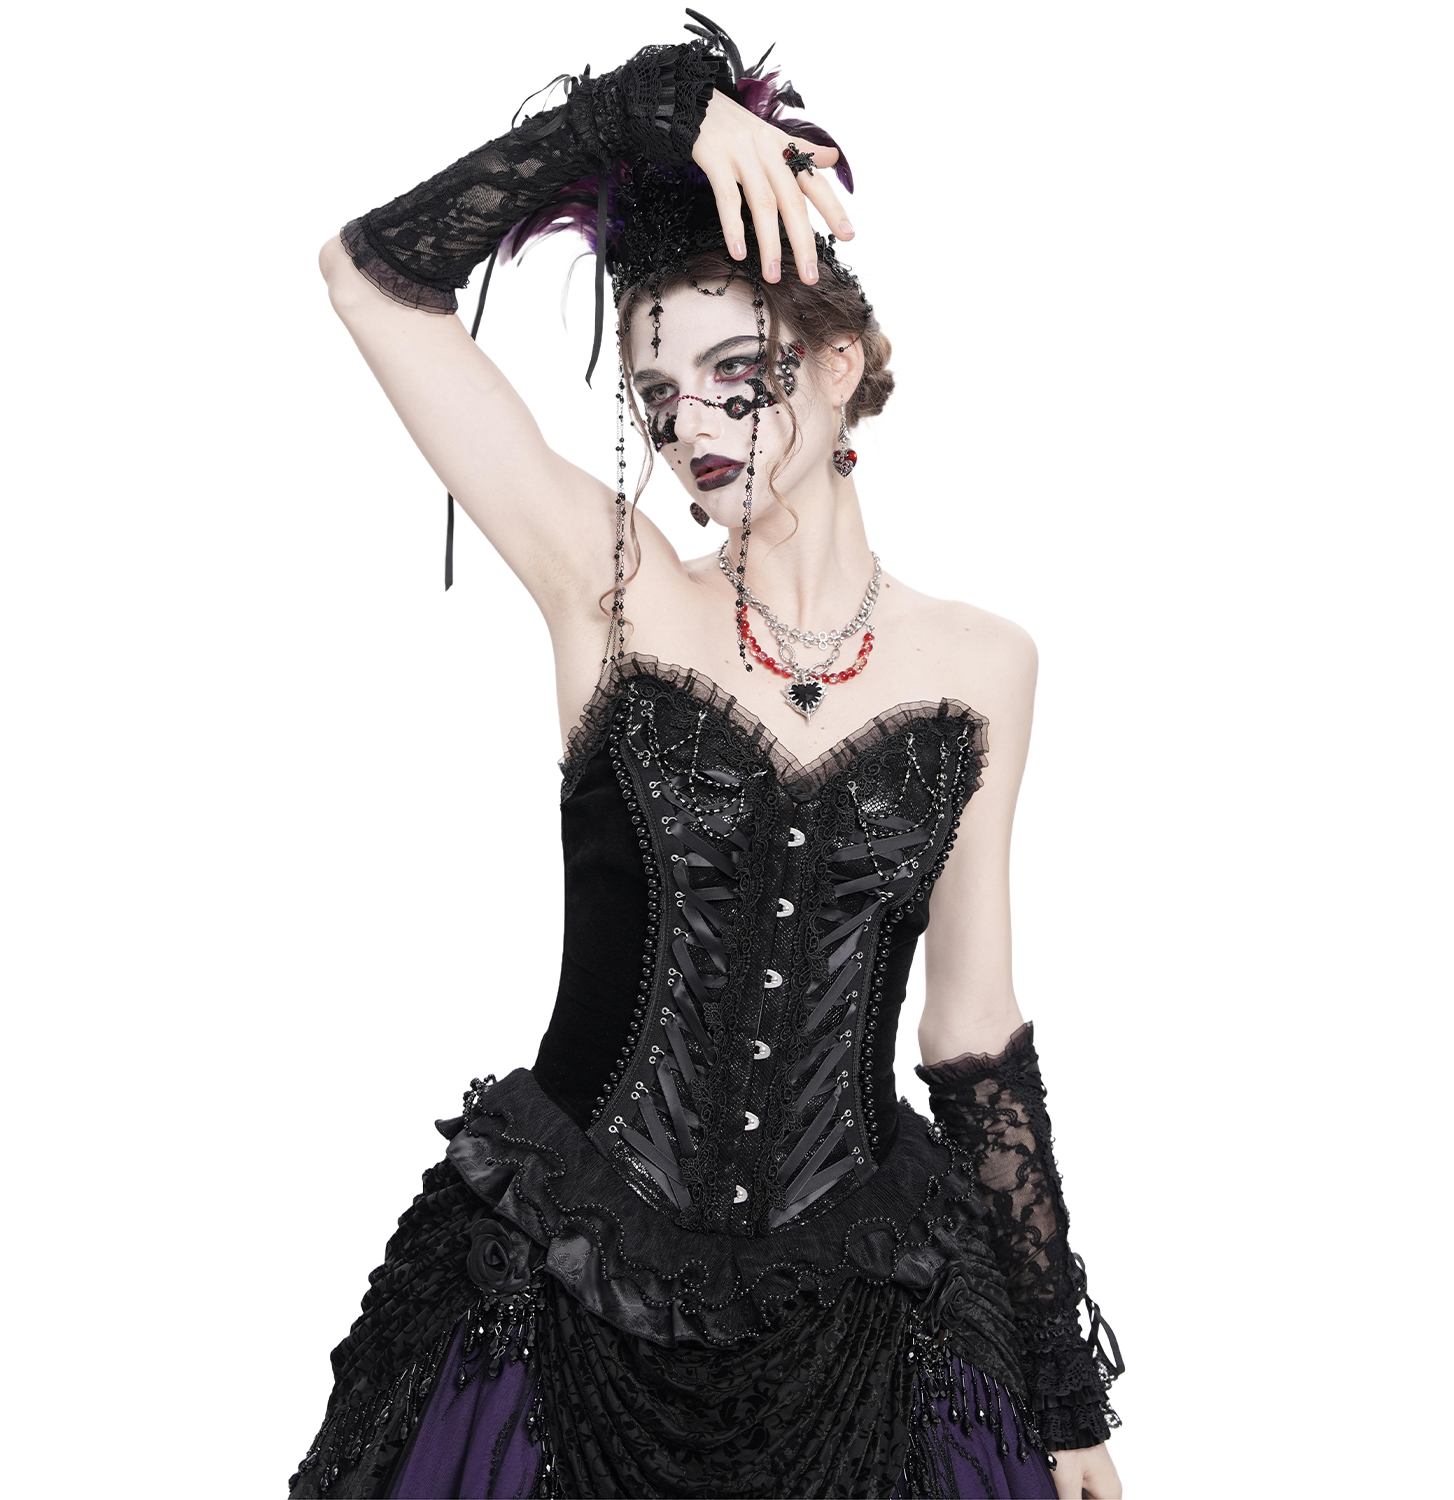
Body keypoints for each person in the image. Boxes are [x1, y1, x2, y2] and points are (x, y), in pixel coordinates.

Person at [291, 14, 1124, 1499]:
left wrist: (1065, 1393)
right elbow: (372, 275)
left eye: (736, 371)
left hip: (860, 1320)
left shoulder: (985, 663)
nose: (690, 427)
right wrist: (655, 107)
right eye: (656, 395)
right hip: (561, 1279)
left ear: (841, 363)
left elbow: (972, 1033)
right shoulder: (611, 589)